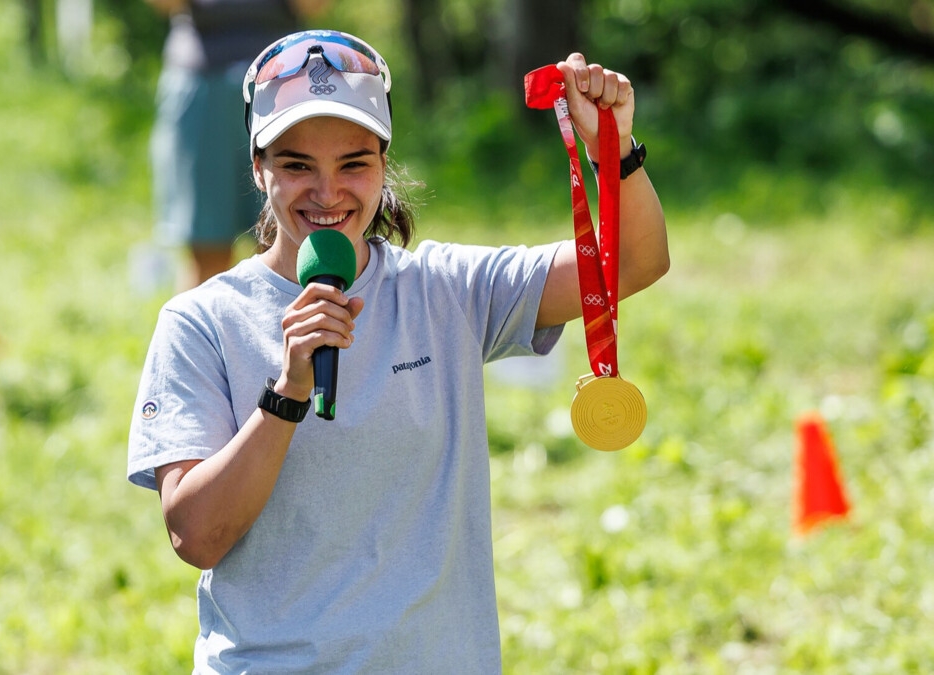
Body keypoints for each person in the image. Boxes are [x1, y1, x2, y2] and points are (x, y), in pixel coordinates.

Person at [127, 29, 669, 672]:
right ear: (257, 167)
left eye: (353, 164)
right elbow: (196, 535)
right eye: (297, 165)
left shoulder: (447, 290)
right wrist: (287, 394)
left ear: (384, 165)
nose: (327, 192)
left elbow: (632, 263)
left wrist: (616, 149)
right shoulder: (200, 321)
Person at [145, 0, 328, 288]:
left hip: (282, 81)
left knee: (285, 240)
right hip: (202, 81)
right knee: (207, 248)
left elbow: (312, 6)